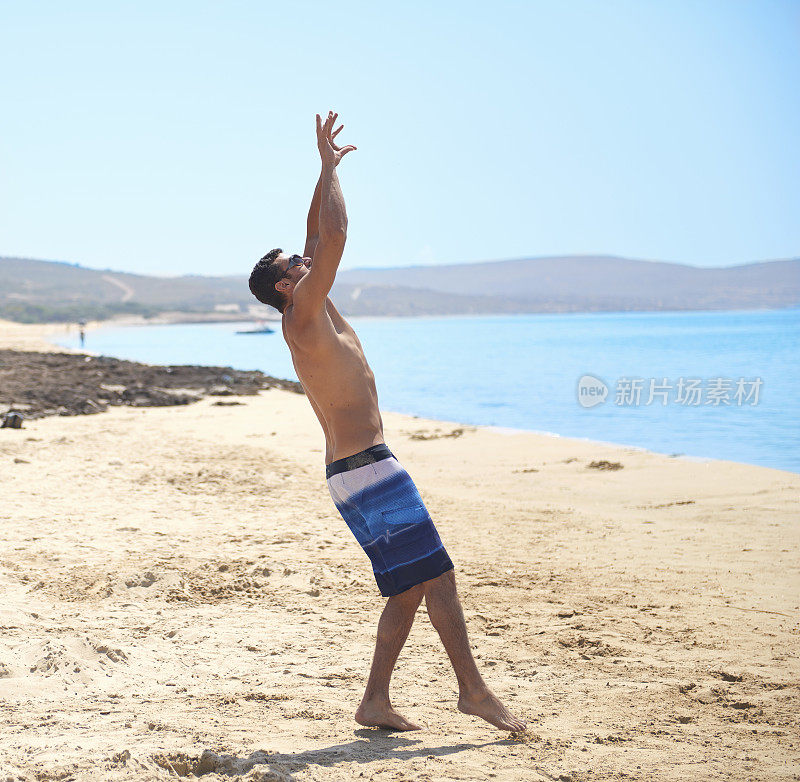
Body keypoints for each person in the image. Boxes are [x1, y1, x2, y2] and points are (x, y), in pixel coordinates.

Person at [248, 111, 526, 733]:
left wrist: (323, 168)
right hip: (366, 469)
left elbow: (320, 234)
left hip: (360, 468)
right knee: (436, 574)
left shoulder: (309, 307)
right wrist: (328, 175)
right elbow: (338, 234)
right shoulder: (304, 315)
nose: (305, 257)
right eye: (295, 262)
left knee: (412, 583)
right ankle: (473, 692)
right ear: (287, 286)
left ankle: (378, 700)